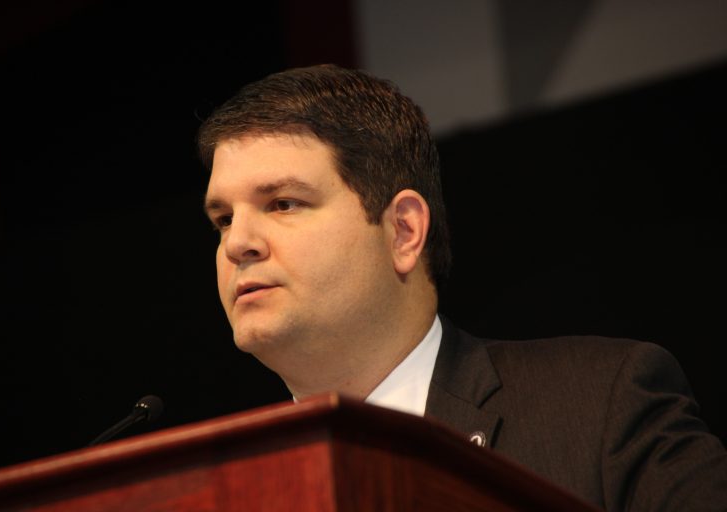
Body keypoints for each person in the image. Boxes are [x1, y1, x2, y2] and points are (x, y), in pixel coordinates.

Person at [198, 65, 727, 511]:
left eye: (283, 204)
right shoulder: (213, 493)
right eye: (223, 218)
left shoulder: (599, 404)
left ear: (404, 231)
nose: (237, 243)